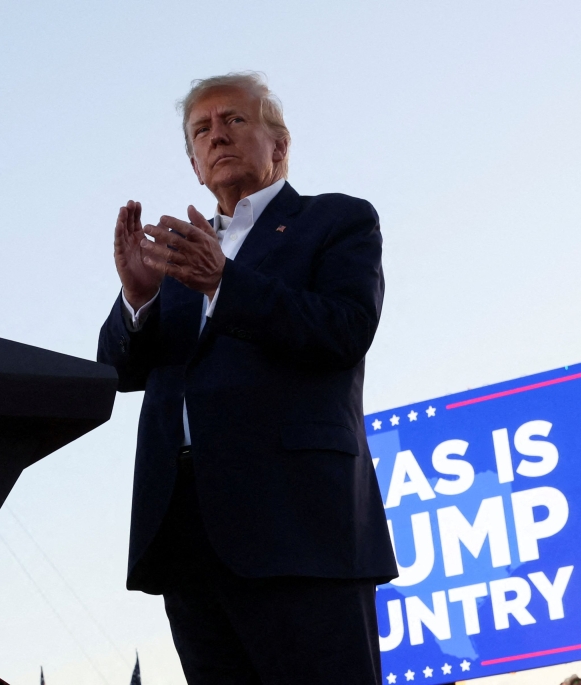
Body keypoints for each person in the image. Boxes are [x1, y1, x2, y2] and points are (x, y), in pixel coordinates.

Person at [98, 72, 397, 684]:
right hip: (186, 534)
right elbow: (116, 371)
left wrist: (224, 283)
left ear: (279, 145)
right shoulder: (180, 253)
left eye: (233, 119)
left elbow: (344, 330)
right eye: (201, 130)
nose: (216, 135)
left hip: (299, 527)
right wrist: (138, 299)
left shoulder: (335, 220)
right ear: (194, 165)